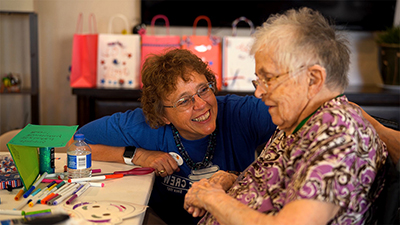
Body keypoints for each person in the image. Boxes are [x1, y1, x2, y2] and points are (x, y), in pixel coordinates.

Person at [183, 7, 388, 225]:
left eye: (268, 78)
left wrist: (213, 200)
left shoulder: (338, 132)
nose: (259, 92)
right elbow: (273, 188)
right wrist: (231, 181)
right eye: (258, 80)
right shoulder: (300, 122)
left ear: (313, 79)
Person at [77, 48, 277, 224]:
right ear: (163, 115)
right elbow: (75, 144)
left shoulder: (241, 113)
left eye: (203, 90)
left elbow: (302, 118)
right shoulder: (142, 126)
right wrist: (138, 156)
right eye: (184, 101)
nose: (200, 105)